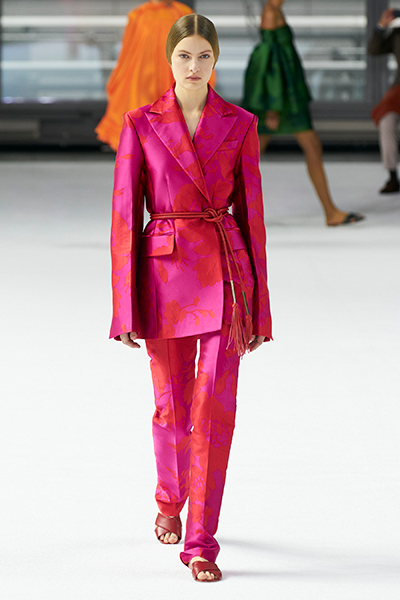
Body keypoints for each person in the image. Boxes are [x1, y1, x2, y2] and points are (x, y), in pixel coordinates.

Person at [109, 13, 272, 582]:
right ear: (170, 59)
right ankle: (168, 496)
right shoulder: (140, 123)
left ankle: (201, 541)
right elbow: (124, 217)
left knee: (213, 411)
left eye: (204, 55)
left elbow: (253, 217)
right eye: (185, 56)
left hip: (225, 274)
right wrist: (124, 307)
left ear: (216, 59)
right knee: (171, 406)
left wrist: (260, 308)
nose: (194, 66)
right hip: (163, 276)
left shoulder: (241, 123)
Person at [243, 0, 365, 226]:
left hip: (288, 98)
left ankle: (330, 212)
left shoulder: (274, 10)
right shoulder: (270, 12)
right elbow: (269, 64)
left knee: (304, 148)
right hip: (281, 101)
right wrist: (273, 107)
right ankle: (228, 214)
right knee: (251, 157)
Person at [95, 1, 216, 152]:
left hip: (170, 75)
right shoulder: (139, 15)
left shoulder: (181, 14)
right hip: (144, 76)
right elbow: (128, 53)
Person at [369, 8, 400, 193]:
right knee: (386, 121)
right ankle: (392, 175)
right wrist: (381, 27)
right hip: (399, 90)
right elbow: (373, 50)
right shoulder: (397, 34)